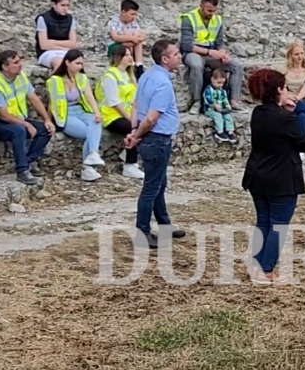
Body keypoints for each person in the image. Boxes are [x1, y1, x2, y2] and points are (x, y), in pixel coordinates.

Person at [243, 67, 305, 284]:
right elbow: (304, 143)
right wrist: (294, 114)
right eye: (285, 88)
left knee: (263, 220)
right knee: (278, 224)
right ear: (278, 90)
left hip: (257, 174)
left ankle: (256, 263)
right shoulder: (285, 118)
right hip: (281, 179)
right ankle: (266, 270)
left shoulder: (258, 113)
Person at [126, 39, 188, 248]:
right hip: (157, 138)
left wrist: (134, 130)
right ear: (165, 59)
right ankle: (142, 232)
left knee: (159, 183)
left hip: (149, 137)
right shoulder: (162, 83)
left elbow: (136, 105)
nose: (179, 57)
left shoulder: (146, 76)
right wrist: (137, 134)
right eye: (176, 54)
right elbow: (152, 118)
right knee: (152, 187)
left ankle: (164, 225)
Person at [0, 49, 55, 186]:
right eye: (16, 62)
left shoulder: (20, 77)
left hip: (17, 119)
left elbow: (33, 98)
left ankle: (28, 162)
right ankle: (22, 171)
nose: (20, 64)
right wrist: (26, 124)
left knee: (45, 129)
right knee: (19, 131)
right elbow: (3, 115)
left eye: (20, 61)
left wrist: (47, 119)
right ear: (5, 67)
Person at [46, 49, 105, 181]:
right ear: (67, 62)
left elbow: (90, 97)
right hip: (66, 114)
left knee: (95, 123)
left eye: (81, 64)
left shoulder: (81, 78)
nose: (80, 67)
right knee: (89, 133)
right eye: (77, 63)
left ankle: (92, 156)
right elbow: (52, 103)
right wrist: (48, 121)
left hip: (81, 110)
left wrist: (96, 113)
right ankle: (88, 167)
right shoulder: (55, 80)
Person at [179, 0, 244, 112]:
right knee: (196, 65)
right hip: (193, 52)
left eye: (213, 11)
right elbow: (186, 45)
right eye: (208, 10)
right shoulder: (189, 18)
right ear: (201, 5)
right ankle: (197, 101)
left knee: (237, 66)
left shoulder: (217, 20)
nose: (211, 14)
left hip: (211, 53)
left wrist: (223, 53)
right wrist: (209, 52)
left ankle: (234, 100)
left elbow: (220, 42)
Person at [98, 43, 146, 179]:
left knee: (147, 124)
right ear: (118, 57)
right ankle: (129, 165)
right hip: (111, 116)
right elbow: (114, 103)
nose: (130, 57)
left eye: (131, 54)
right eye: (126, 55)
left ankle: (127, 153)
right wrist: (131, 120)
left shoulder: (128, 74)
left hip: (127, 113)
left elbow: (136, 97)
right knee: (134, 128)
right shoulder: (110, 76)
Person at [34, 0, 81, 69]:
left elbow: (73, 43)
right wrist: (64, 47)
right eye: (62, 5)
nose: (65, 8)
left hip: (65, 51)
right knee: (60, 63)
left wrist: (52, 42)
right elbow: (44, 45)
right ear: (54, 4)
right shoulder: (43, 18)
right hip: (46, 53)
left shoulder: (70, 19)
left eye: (67, 5)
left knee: (77, 63)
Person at [106, 0, 148, 77]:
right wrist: (132, 38)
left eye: (135, 14)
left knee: (136, 42)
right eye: (132, 14)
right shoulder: (114, 22)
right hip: (115, 46)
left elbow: (142, 35)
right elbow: (115, 37)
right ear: (123, 12)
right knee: (130, 40)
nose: (134, 17)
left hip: (129, 45)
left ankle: (139, 65)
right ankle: (131, 65)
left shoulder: (133, 23)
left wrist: (137, 38)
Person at [202, 67, 237, 143]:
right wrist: (214, 105)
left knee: (228, 116)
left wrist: (227, 106)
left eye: (222, 83)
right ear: (212, 79)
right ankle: (219, 132)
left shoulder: (222, 91)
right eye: (218, 82)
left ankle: (230, 131)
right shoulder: (208, 89)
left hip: (221, 109)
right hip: (210, 109)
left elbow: (224, 99)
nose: (220, 85)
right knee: (218, 117)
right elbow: (207, 99)